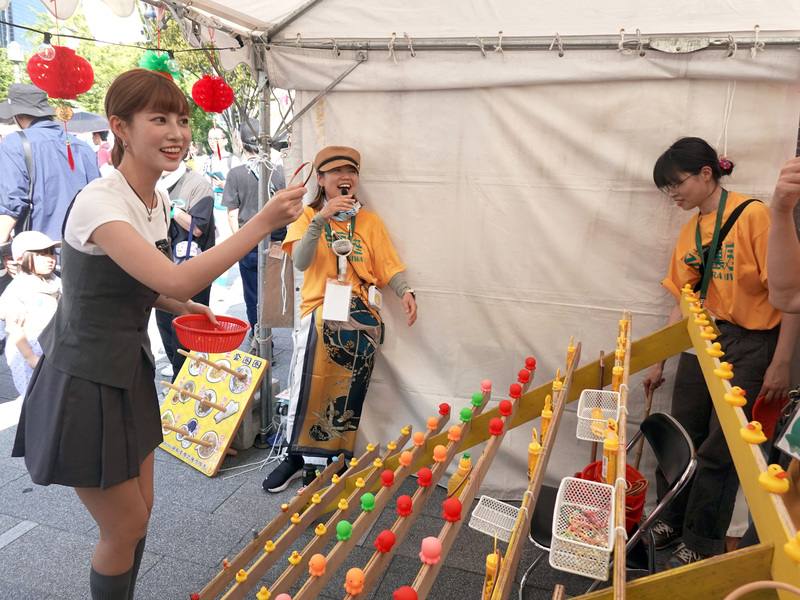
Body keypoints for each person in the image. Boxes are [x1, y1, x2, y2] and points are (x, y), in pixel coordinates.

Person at [10, 69, 304, 600]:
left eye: (183, 119)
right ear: (119, 127)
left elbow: (150, 283)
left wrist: (184, 304)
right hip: (83, 377)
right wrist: (259, 223)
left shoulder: (155, 199)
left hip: (128, 370)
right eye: (159, 119)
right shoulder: (102, 201)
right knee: (122, 526)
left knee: (141, 517)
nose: (177, 132)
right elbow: (171, 273)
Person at [642, 137, 800, 566]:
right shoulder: (689, 231)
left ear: (706, 173)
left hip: (752, 343)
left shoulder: (754, 216)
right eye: (666, 188)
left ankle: (702, 539)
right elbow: (683, 297)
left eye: (676, 183)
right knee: (682, 431)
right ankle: (669, 518)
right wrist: (661, 361)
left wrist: (781, 361)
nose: (672, 194)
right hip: (701, 341)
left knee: (722, 446)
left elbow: (790, 295)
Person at [262, 145, 418, 493]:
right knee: (309, 383)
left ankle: (334, 458)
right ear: (321, 179)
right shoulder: (306, 216)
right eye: (335, 172)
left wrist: (406, 291)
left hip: (357, 315)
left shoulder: (369, 222)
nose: (345, 177)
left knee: (349, 389)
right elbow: (300, 262)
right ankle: (295, 455)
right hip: (318, 311)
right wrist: (321, 218)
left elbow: (388, 264)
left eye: (351, 171)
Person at [0, 83, 100, 242]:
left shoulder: (14, 144)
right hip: (82, 251)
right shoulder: (82, 146)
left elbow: (11, 206)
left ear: (18, 116)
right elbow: (98, 199)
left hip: (39, 253)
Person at [222, 118, 287, 336]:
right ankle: (268, 336)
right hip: (277, 242)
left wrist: (238, 242)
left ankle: (259, 335)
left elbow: (232, 214)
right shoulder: (278, 171)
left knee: (252, 294)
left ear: (241, 143)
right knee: (275, 292)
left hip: (248, 243)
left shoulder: (235, 174)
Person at [154, 160, 216, 379]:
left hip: (192, 269)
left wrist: (170, 208)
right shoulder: (152, 181)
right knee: (163, 322)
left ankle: (185, 377)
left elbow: (198, 228)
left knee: (187, 326)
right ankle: (176, 369)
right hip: (161, 266)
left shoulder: (198, 185)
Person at [0, 231, 61, 395]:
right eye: (41, 254)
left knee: (52, 396)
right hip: (28, 353)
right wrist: (30, 358)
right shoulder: (19, 289)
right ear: (20, 258)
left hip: (51, 350)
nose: (50, 259)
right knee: (34, 396)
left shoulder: (55, 282)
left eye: (51, 253)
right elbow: (15, 329)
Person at [768, 158, 800, 312]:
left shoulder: (751, 213)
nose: (680, 191)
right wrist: (781, 210)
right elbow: (789, 299)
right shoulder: (695, 222)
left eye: (682, 181)